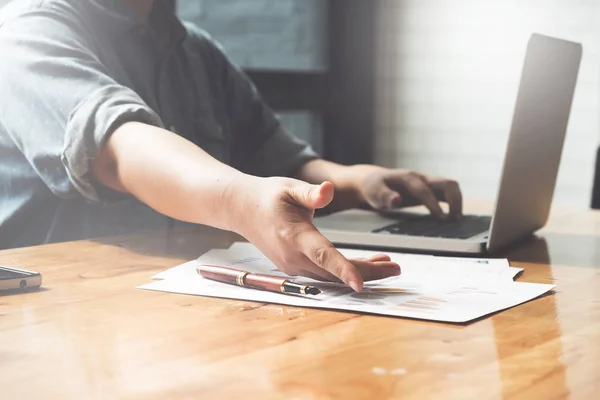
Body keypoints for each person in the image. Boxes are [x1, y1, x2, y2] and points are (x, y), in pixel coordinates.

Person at [0, 0, 462, 291]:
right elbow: (121, 146)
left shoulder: (195, 49)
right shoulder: (26, 28)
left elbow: (282, 163)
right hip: (57, 311)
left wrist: (361, 180)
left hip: (182, 299)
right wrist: (243, 203)